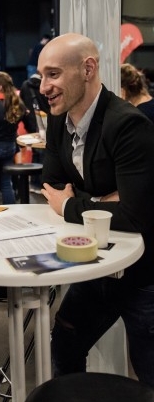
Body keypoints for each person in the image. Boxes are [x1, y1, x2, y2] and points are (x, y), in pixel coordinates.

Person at [38, 33, 154, 388]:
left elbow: (134, 217)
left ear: (87, 69)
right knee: (66, 343)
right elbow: (52, 185)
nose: (44, 86)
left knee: (149, 373)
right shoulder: (59, 120)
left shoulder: (128, 125)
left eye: (53, 74)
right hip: (97, 266)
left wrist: (73, 205)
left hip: (144, 273)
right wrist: (104, 202)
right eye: (42, 75)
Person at [0, 71, 27, 204]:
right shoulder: (18, 105)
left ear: (0, 87)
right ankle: (11, 215)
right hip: (9, 149)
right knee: (6, 184)